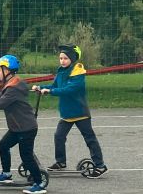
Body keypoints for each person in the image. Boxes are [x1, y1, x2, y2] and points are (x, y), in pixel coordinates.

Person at [0, 54, 46, 194]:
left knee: (26, 156)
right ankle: (6, 174)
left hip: (26, 128)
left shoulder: (14, 88)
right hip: (17, 128)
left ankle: (39, 183)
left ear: (7, 70)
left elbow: (0, 103)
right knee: (3, 145)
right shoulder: (11, 84)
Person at [32, 44, 107, 177]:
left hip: (80, 112)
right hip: (67, 113)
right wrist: (41, 87)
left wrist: (50, 91)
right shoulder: (61, 71)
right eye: (61, 58)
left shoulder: (77, 73)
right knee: (59, 136)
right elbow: (54, 86)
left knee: (90, 139)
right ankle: (61, 162)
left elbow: (69, 89)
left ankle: (100, 165)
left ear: (72, 59)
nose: (62, 61)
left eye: (65, 58)